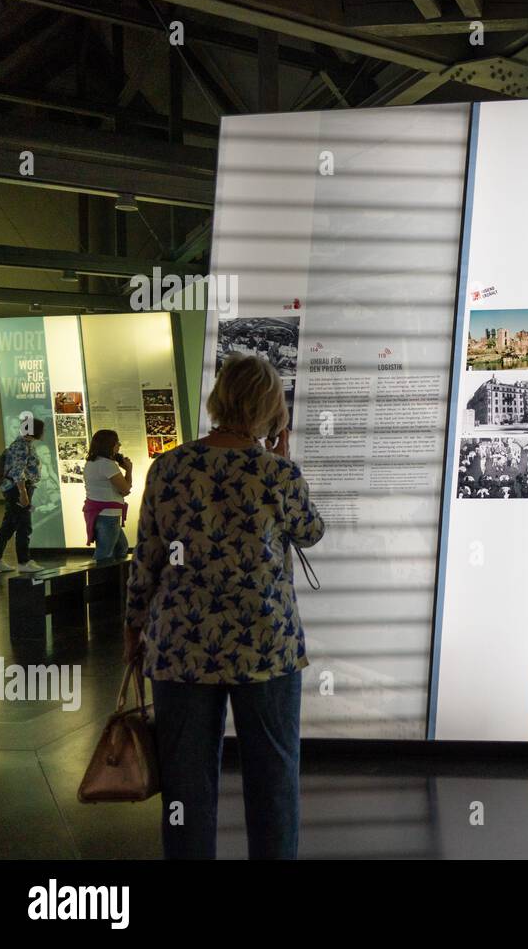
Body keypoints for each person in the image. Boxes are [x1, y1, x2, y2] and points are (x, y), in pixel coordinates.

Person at [125, 353, 325, 859]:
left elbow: (146, 557)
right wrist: (281, 457)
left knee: (185, 785)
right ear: (270, 409)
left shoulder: (169, 467)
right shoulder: (276, 474)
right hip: (265, 645)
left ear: (219, 399)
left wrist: (133, 628)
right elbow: (311, 532)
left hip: (181, 646)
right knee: (274, 775)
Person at [0, 418, 46, 574]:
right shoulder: (21, 446)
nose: (43, 432)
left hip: (15, 489)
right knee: (24, 525)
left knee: (9, 525)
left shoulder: (23, 444)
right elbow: (17, 472)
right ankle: (23, 561)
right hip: (17, 490)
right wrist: (23, 494)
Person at [83, 430, 133, 563]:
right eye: (116, 442)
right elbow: (125, 489)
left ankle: (115, 578)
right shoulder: (107, 465)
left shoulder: (92, 462)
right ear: (109, 445)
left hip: (102, 513)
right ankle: (103, 579)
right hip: (108, 516)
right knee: (105, 554)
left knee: (121, 548)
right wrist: (129, 470)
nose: (119, 445)